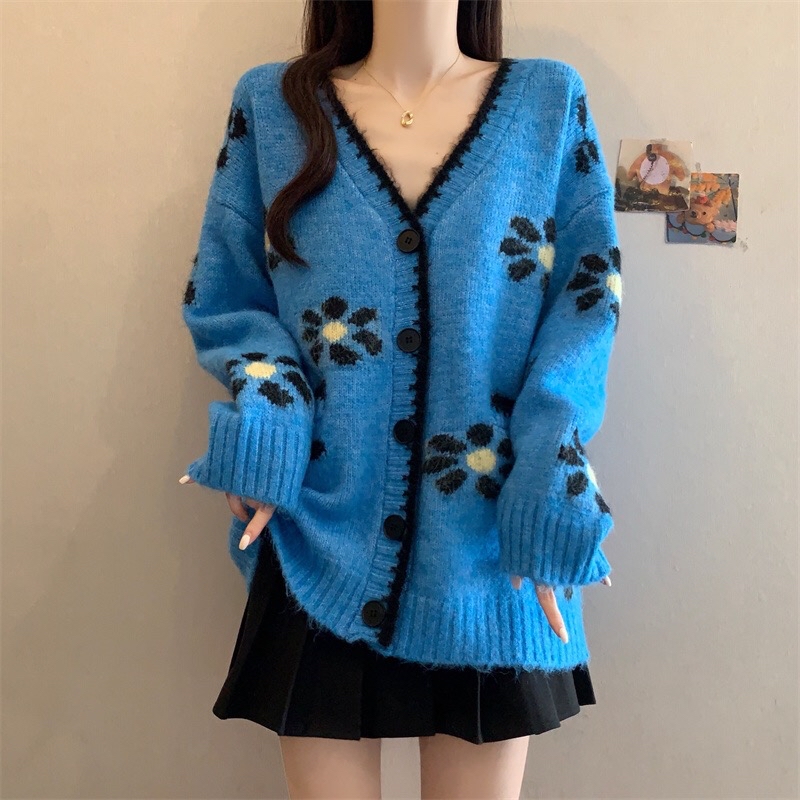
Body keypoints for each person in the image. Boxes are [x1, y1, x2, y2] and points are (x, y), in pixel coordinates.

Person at [178, 1, 622, 797]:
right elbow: (228, 296)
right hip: (318, 537)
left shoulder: (549, 104)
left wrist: (551, 468)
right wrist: (270, 419)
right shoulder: (272, 108)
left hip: (491, 555)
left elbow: (584, 308)